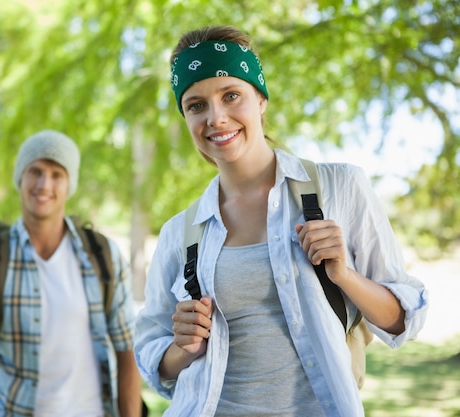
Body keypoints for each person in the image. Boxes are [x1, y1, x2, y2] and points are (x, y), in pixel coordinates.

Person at [133, 25, 428, 417]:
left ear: (260, 99)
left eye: (231, 95)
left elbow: (403, 321)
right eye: (196, 105)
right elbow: (156, 362)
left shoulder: (339, 187)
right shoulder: (180, 233)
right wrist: (181, 346)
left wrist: (344, 276)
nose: (216, 118)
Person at [0, 130, 143, 417]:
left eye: (56, 174)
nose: (44, 184)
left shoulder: (103, 256)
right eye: (35, 171)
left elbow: (128, 353)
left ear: (69, 184)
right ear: (20, 178)